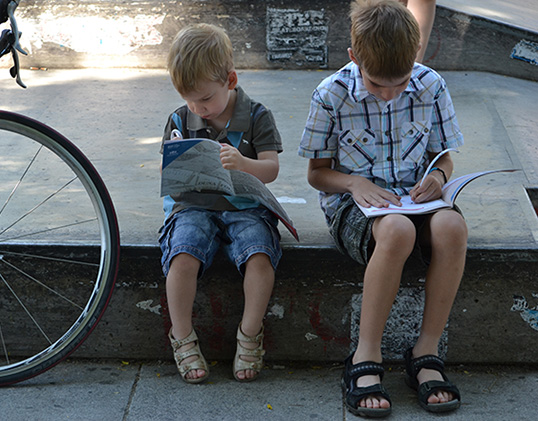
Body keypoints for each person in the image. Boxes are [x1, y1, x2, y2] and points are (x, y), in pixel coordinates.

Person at [298, 0, 465, 417]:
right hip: (354, 210)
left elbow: (443, 157)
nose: (390, 94)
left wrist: (439, 178)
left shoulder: (431, 84)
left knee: (452, 228)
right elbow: (317, 174)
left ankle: (425, 352)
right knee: (397, 231)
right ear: (354, 58)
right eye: (376, 85)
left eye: (400, 81)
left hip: (416, 200)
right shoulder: (331, 94)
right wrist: (355, 183)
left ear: (415, 55)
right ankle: (365, 356)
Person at [160, 23, 283, 383]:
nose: (198, 107)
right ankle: (181, 336)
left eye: (205, 99)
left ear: (230, 80)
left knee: (259, 253)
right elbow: (171, 170)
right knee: (183, 252)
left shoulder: (257, 115)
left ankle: (249, 333)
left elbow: (272, 169)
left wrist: (244, 165)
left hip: (245, 206)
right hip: (194, 205)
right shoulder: (181, 118)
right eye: (189, 99)